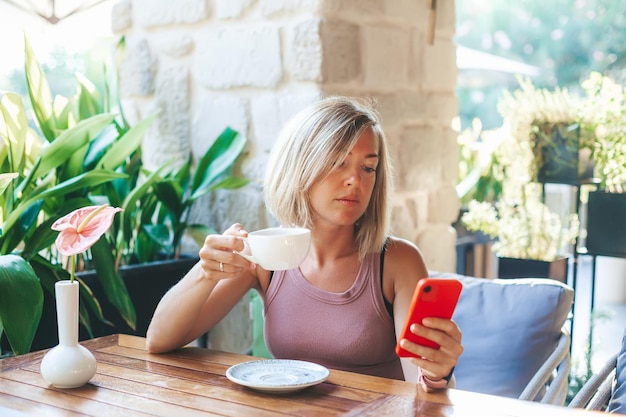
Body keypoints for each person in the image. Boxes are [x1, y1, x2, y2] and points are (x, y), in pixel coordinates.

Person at [146, 96, 463, 390]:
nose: (356, 180)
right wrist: (205, 272)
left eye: (368, 168)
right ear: (301, 167)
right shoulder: (264, 256)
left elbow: (420, 388)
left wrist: (438, 373)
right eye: (339, 162)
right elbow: (159, 340)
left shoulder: (397, 261)